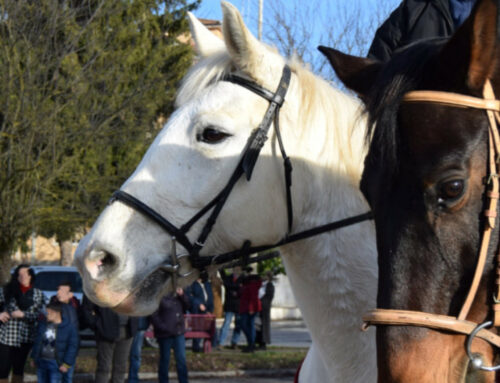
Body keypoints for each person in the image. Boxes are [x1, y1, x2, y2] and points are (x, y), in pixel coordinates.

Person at [368, 0, 477, 62]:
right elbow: (378, 59)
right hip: (414, 100)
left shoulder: (493, 16)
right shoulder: (414, 8)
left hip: (473, 101)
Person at [0, 264, 45, 383]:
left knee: (18, 370)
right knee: (3, 369)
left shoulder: (38, 294)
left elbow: (41, 316)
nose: (23, 276)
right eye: (19, 274)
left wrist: (24, 315)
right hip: (7, 337)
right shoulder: (6, 291)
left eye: (26, 274)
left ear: (31, 276)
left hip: (26, 337)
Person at [82, 295, 139, 383]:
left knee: (121, 367)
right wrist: (98, 324)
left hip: (127, 330)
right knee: (104, 367)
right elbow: (86, 309)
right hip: (106, 331)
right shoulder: (101, 283)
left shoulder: (129, 283)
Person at [31, 301, 79, 383]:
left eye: (48, 313)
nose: (46, 315)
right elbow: (37, 342)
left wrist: (66, 363)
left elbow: (72, 347)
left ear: (56, 313)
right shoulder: (43, 325)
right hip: (42, 362)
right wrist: (34, 358)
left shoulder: (69, 328)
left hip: (56, 363)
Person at [150, 288, 190, 383]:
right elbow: (153, 314)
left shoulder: (177, 294)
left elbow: (188, 306)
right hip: (165, 334)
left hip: (178, 332)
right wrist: (163, 327)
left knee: (181, 360)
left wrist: (182, 295)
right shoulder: (159, 295)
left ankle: (183, 381)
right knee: (164, 360)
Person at [49, 282, 80, 383]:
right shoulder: (53, 305)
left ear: (70, 294)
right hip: (56, 350)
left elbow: (79, 325)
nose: (58, 292)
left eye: (62, 290)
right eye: (58, 290)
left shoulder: (75, 306)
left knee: (68, 377)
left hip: (70, 348)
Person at [217, 267, 243, 349]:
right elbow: (227, 285)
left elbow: (241, 289)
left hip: (239, 305)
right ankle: (221, 342)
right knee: (226, 324)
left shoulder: (243, 278)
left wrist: (234, 288)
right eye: (235, 268)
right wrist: (237, 287)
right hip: (230, 305)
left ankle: (234, 342)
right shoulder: (228, 278)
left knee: (238, 325)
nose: (237, 270)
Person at [187, 274, 214, 352]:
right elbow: (189, 296)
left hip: (207, 310)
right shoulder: (192, 284)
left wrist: (210, 310)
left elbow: (210, 297)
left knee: (209, 329)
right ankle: (196, 347)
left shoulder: (207, 284)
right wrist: (198, 304)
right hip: (197, 311)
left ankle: (210, 345)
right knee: (198, 328)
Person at [238, 269, 262, 353]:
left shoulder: (251, 286)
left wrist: (251, 309)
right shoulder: (252, 285)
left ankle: (251, 343)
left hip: (248, 309)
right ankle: (251, 343)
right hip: (248, 308)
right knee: (249, 325)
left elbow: (252, 298)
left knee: (245, 325)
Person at [256, 271, 275, 350]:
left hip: (265, 308)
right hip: (259, 307)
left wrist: (262, 302)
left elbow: (269, 297)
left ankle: (263, 343)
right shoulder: (261, 285)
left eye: (265, 276)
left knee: (264, 325)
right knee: (258, 325)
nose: (263, 277)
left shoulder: (270, 285)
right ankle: (259, 341)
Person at [127, 316, 149, 383]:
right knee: (134, 355)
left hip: (138, 326)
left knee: (135, 355)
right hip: (126, 324)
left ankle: (133, 379)